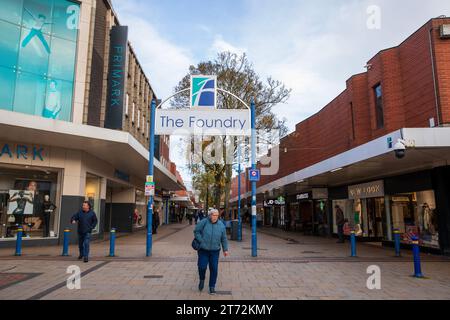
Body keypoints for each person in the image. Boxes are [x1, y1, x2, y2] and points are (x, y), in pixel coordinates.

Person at [193, 208, 229, 295]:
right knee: (202, 267)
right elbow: (196, 231)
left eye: (217, 215)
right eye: (213, 215)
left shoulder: (221, 225)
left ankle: (212, 287)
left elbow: (224, 238)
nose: (215, 217)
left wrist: (225, 249)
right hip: (203, 250)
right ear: (210, 215)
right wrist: (201, 241)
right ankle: (202, 279)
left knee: (214, 269)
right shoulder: (204, 222)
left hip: (215, 251)